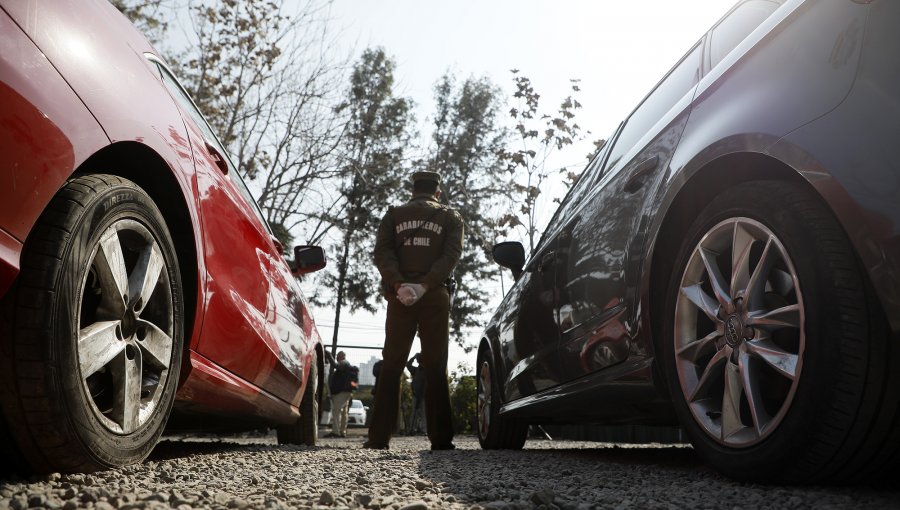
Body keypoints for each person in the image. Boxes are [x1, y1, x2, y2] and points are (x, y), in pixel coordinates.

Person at [364, 171, 464, 451]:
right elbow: (451, 255)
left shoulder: (394, 215)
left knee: (392, 364)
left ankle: (379, 438)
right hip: (435, 296)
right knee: (435, 365)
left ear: (413, 190)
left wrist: (399, 284)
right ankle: (441, 439)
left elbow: (382, 253)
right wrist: (426, 285)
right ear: (437, 192)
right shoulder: (450, 216)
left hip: (399, 297)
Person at [327, 351, 358, 438]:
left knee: (337, 411)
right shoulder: (348, 365)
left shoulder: (343, 363)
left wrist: (329, 355)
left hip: (340, 392)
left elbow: (335, 366)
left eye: (337, 356)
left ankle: (336, 432)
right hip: (348, 392)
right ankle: (342, 432)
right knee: (344, 412)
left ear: (341, 356)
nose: (337, 357)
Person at [406, 352, 426, 434]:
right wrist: (414, 357)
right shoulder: (415, 370)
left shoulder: (427, 370)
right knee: (414, 412)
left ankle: (424, 430)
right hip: (416, 395)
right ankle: (412, 429)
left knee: (424, 414)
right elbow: (408, 365)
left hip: (424, 396)